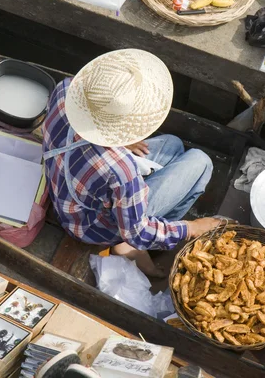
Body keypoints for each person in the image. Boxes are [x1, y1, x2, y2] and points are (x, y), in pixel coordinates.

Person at [42, 49, 222, 276]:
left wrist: (117, 139)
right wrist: (191, 228)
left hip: (69, 186)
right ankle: (130, 246)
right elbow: (136, 230)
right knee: (201, 161)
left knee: (173, 144)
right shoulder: (120, 170)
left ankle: (134, 230)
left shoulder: (65, 89)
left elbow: (80, 136)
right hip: (88, 225)